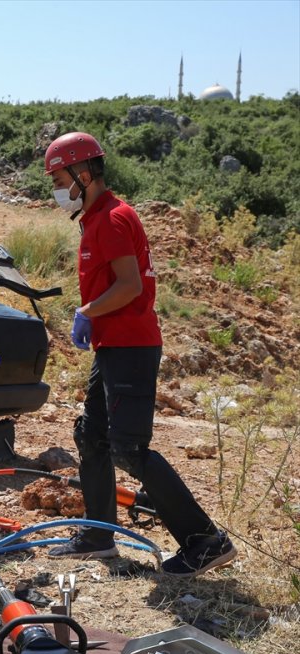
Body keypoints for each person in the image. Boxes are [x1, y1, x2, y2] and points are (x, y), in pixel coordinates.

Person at [43, 131, 236, 576]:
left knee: (129, 448)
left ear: (82, 173)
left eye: (59, 179)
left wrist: (87, 311)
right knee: (91, 435)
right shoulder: (97, 218)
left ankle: (205, 541)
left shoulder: (112, 219)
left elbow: (129, 286)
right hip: (113, 345)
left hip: (131, 345)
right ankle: (98, 536)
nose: (56, 189)